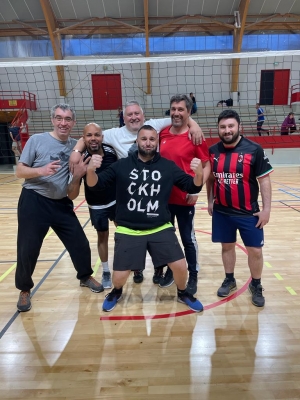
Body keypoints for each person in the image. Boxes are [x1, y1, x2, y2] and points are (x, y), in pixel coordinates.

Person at [71, 100, 204, 283]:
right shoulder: (113, 135)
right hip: (128, 198)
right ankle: (127, 271)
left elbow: (179, 117)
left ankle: (166, 270)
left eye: (137, 114)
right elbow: (90, 136)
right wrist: (77, 151)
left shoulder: (154, 126)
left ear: (144, 117)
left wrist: (194, 124)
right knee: (128, 237)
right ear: (123, 118)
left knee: (162, 233)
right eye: (129, 115)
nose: (134, 117)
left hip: (158, 193)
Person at [86, 124, 205, 313]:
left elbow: (192, 187)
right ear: (137, 141)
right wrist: (90, 171)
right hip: (129, 228)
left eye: (152, 139)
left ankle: (183, 293)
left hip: (160, 226)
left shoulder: (167, 166)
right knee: (119, 278)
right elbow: (95, 185)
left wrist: (199, 175)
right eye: (144, 139)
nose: (148, 143)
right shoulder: (122, 165)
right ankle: (116, 292)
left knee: (181, 267)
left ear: (157, 142)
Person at [15, 104, 103, 313]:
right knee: (28, 248)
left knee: (80, 243)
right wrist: (41, 170)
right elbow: (19, 171)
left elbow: (73, 194)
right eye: (59, 118)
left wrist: (78, 175)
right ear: (53, 120)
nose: (63, 123)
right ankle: (24, 289)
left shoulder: (77, 147)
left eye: (68, 119)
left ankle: (84, 276)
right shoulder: (37, 140)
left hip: (61, 203)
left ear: (73, 123)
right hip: (34, 201)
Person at [206, 109, 273, 308]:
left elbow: (265, 180)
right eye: (223, 127)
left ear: (239, 127)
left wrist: (267, 209)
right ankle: (229, 279)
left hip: (248, 213)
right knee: (227, 247)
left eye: (230, 126)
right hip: (222, 211)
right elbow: (210, 179)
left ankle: (257, 284)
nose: (227, 130)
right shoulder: (213, 151)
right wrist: (210, 200)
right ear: (218, 129)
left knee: (255, 251)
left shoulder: (254, 149)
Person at [157, 94, 211, 294]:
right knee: (167, 239)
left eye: (181, 109)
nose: (176, 113)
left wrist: (196, 189)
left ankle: (193, 274)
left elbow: (207, 165)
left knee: (188, 239)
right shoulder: (162, 133)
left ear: (189, 112)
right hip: (163, 199)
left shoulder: (194, 136)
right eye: (173, 109)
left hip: (185, 198)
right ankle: (172, 270)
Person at [68, 123, 118, 290]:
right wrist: (78, 174)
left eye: (97, 134)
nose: (93, 138)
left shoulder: (111, 151)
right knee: (102, 237)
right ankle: (105, 271)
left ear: (102, 137)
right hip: (97, 205)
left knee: (125, 234)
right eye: (89, 135)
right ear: (83, 139)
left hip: (117, 201)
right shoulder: (80, 159)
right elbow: (72, 195)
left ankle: (127, 265)